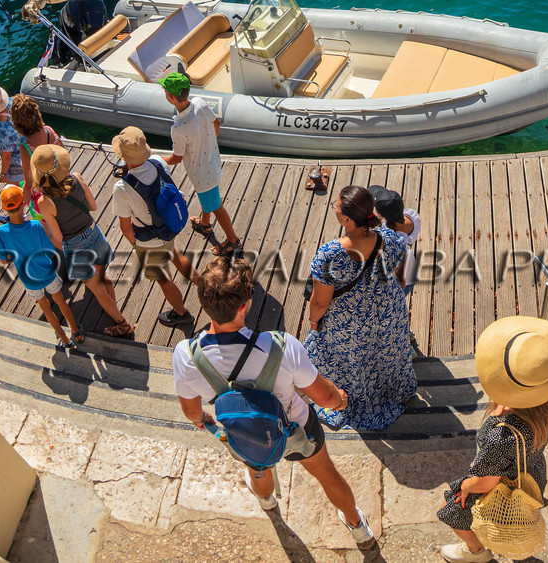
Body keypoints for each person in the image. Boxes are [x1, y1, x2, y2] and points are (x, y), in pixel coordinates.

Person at [171, 253, 375, 544]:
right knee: (326, 474)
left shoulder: (186, 355)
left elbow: (192, 412)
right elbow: (325, 397)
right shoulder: (282, 346)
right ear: (245, 306)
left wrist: (203, 419)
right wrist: (339, 401)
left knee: (258, 467)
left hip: (247, 433)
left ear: (204, 305)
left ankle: (267, 502)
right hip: (297, 430)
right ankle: (357, 527)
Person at [436, 316, 548, 562]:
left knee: (452, 511)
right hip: (531, 471)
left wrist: (466, 486)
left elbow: (485, 482)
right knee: (521, 514)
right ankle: (516, 551)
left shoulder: (502, 435)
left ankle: (477, 552)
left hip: (504, 479)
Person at [304, 185, 416, 430]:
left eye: (335, 206)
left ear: (346, 219)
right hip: (387, 314)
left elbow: (321, 301)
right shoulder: (390, 239)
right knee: (382, 351)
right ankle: (392, 391)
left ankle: (343, 397)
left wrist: (313, 323)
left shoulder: (330, 254)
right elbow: (401, 274)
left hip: (350, 323)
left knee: (329, 347)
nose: (334, 208)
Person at [28, 144, 136, 339]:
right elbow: (93, 206)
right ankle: (114, 311)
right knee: (103, 278)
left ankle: (123, 325)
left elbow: (58, 237)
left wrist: (48, 235)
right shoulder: (76, 177)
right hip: (94, 233)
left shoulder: (45, 202)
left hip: (76, 246)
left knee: (97, 290)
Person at [110, 126, 195, 329]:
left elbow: (125, 226)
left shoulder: (122, 188)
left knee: (163, 278)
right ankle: (205, 285)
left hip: (149, 240)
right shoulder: (158, 161)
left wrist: (136, 244)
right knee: (173, 253)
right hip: (170, 226)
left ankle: (181, 313)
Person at [0, 185, 81, 349]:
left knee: (46, 308)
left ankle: (65, 341)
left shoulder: (2, 231)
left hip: (29, 279)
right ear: (23, 204)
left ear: (4, 208)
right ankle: (76, 331)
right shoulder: (35, 225)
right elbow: (50, 252)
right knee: (60, 300)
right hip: (47, 273)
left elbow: (3, 260)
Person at [159, 72, 238, 249]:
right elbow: (216, 123)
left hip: (201, 175)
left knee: (217, 207)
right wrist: (207, 142)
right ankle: (204, 223)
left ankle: (233, 241)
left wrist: (158, 159)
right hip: (213, 161)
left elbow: (176, 158)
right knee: (210, 197)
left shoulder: (178, 128)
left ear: (171, 98)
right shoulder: (200, 102)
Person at [10, 92, 64, 204]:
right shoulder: (50, 131)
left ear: (18, 124)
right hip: (62, 184)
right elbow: (64, 156)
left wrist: (19, 207)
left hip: (46, 197)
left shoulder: (26, 148)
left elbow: (29, 184)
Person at [371, 185, 421, 300]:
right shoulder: (412, 218)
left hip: (399, 281)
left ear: (380, 215)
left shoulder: (389, 240)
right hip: (410, 272)